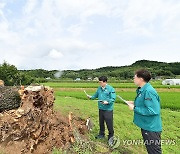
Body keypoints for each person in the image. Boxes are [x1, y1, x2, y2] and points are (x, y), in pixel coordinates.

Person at [127, 69, 162, 154]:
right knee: (151, 149)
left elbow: (153, 110)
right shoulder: (142, 89)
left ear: (141, 79)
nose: (133, 79)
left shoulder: (148, 91)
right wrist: (134, 102)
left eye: (134, 77)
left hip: (151, 127)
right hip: (147, 125)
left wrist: (134, 108)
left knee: (154, 151)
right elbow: (145, 103)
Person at [88, 76, 116, 140]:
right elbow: (95, 95)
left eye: (101, 82)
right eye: (99, 82)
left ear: (105, 82)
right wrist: (91, 97)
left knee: (109, 124)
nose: (100, 84)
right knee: (101, 122)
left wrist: (107, 102)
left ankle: (111, 137)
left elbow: (113, 99)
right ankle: (101, 134)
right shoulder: (99, 88)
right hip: (101, 108)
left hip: (108, 110)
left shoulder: (111, 89)